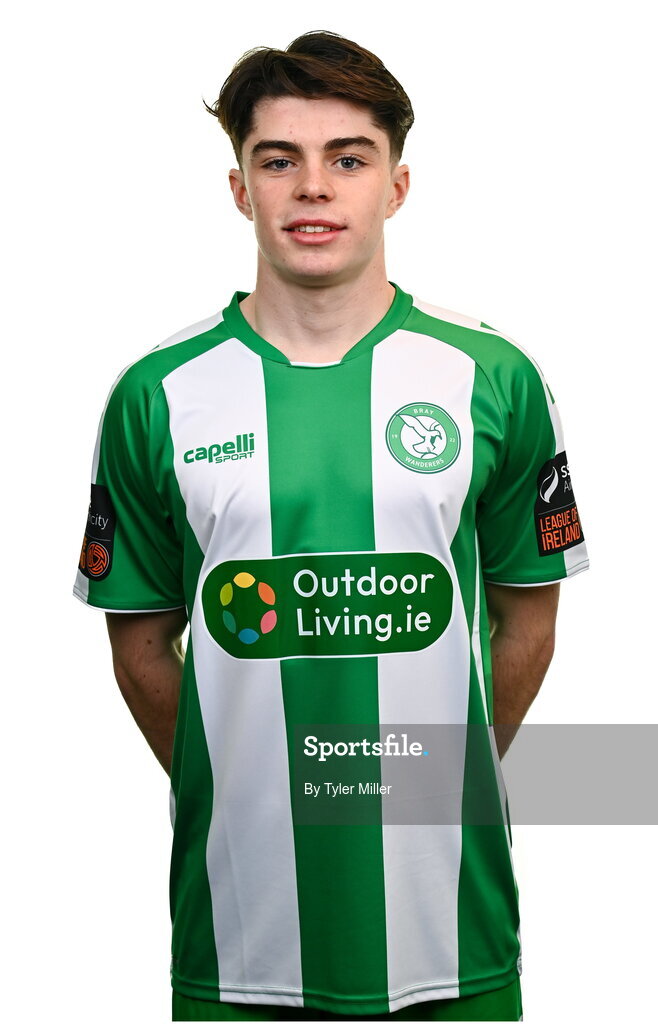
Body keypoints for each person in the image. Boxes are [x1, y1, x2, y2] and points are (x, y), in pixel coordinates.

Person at [73, 30, 589, 1023]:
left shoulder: (493, 378)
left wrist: (422, 782)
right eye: (280, 160)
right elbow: (141, 643)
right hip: (237, 938)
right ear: (240, 189)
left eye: (347, 158)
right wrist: (248, 782)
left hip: (450, 935)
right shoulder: (158, 394)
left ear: (395, 185)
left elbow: (527, 624)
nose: (313, 187)